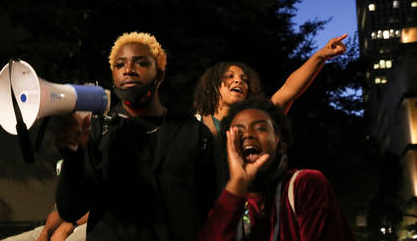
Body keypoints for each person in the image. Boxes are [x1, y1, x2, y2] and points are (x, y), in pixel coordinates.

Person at [54, 32, 217, 241]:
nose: (128, 70)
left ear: (159, 74)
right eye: (119, 65)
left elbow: (211, 204)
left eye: (141, 63)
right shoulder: (95, 131)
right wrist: (72, 156)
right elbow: (70, 210)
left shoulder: (193, 132)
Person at [197, 96, 354, 241]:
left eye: (260, 128)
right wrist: (237, 182)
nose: (248, 135)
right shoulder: (229, 206)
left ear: (281, 144)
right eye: (238, 131)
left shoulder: (305, 185)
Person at [193, 34, 348, 136]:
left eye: (244, 79)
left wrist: (320, 56)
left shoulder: (257, 121)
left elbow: (288, 91)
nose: (239, 81)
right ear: (214, 86)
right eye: (230, 76)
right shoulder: (195, 125)